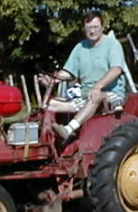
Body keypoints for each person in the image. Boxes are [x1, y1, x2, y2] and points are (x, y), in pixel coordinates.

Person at [36, 11, 128, 143]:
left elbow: (116, 70)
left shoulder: (112, 45)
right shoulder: (80, 47)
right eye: (89, 28)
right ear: (84, 29)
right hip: (85, 95)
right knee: (49, 104)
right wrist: (52, 80)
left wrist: (97, 87)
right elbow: (68, 72)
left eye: (95, 27)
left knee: (95, 96)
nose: (92, 31)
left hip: (111, 94)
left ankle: (68, 130)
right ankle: (47, 139)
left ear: (102, 27)